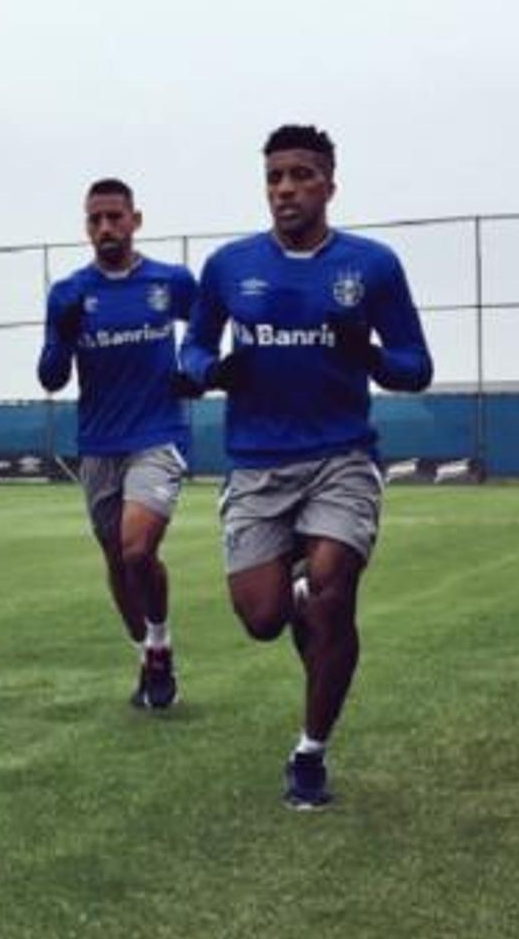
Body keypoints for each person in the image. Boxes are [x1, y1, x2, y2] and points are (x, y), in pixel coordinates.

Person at [179, 125, 433, 809]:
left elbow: (417, 366)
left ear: (328, 183)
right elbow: (192, 348)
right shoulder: (229, 267)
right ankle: (288, 595)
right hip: (257, 466)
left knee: (333, 586)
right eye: (274, 177)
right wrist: (210, 370)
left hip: (342, 458)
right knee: (262, 620)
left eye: (300, 175)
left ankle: (310, 753)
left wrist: (371, 354)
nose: (285, 189)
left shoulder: (372, 266)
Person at [37, 179, 198, 709]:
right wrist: (61, 334)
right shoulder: (69, 292)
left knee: (137, 548)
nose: (105, 228)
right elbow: (52, 377)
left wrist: (195, 369)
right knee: (116, 558)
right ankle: (149, 652)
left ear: (135, 220)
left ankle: (158, 641)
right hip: (99, 441)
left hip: (158, 434)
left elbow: (204, 332)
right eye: (95, 220)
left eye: (114, 217)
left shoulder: (170, 281)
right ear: (86, 227)